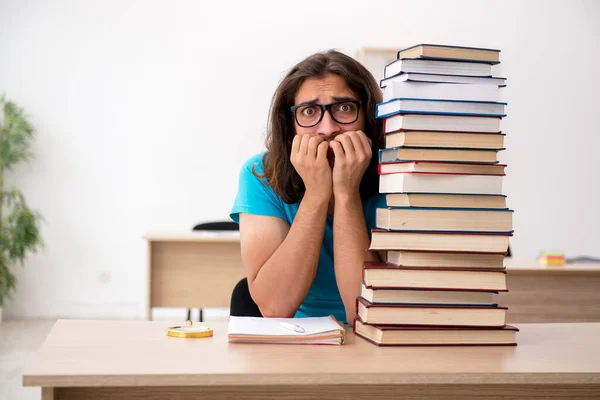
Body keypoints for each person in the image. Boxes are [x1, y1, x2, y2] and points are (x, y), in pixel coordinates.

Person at [230, 49, 385, 325]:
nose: (327, 129)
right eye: (309, 111)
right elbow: (275, 308)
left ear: (369, 118)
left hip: (381, 341)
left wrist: (346, 194)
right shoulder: (260, 175)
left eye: (344, 107)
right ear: (290, 126)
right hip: (299, 341)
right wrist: (316, 194)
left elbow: (364, 313)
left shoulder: (398, 180)